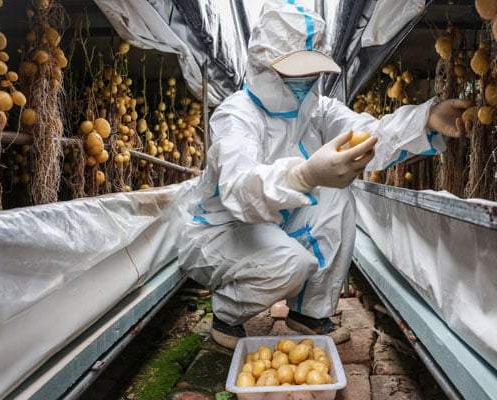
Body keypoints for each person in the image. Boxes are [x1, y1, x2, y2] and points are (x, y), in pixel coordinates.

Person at [178, 0, 470, 349]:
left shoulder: (316, 110)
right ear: (262, 66)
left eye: (310, 72)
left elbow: (368, 134)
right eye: (293, 73)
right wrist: (304, 174)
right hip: (220, 231)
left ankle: (309, 312)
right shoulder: (237, 116)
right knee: (291, 264)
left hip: (270, 224)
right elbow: (241, 190)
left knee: (337, 193)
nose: (305, 82)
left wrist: (428, 118)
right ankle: (227, 313)